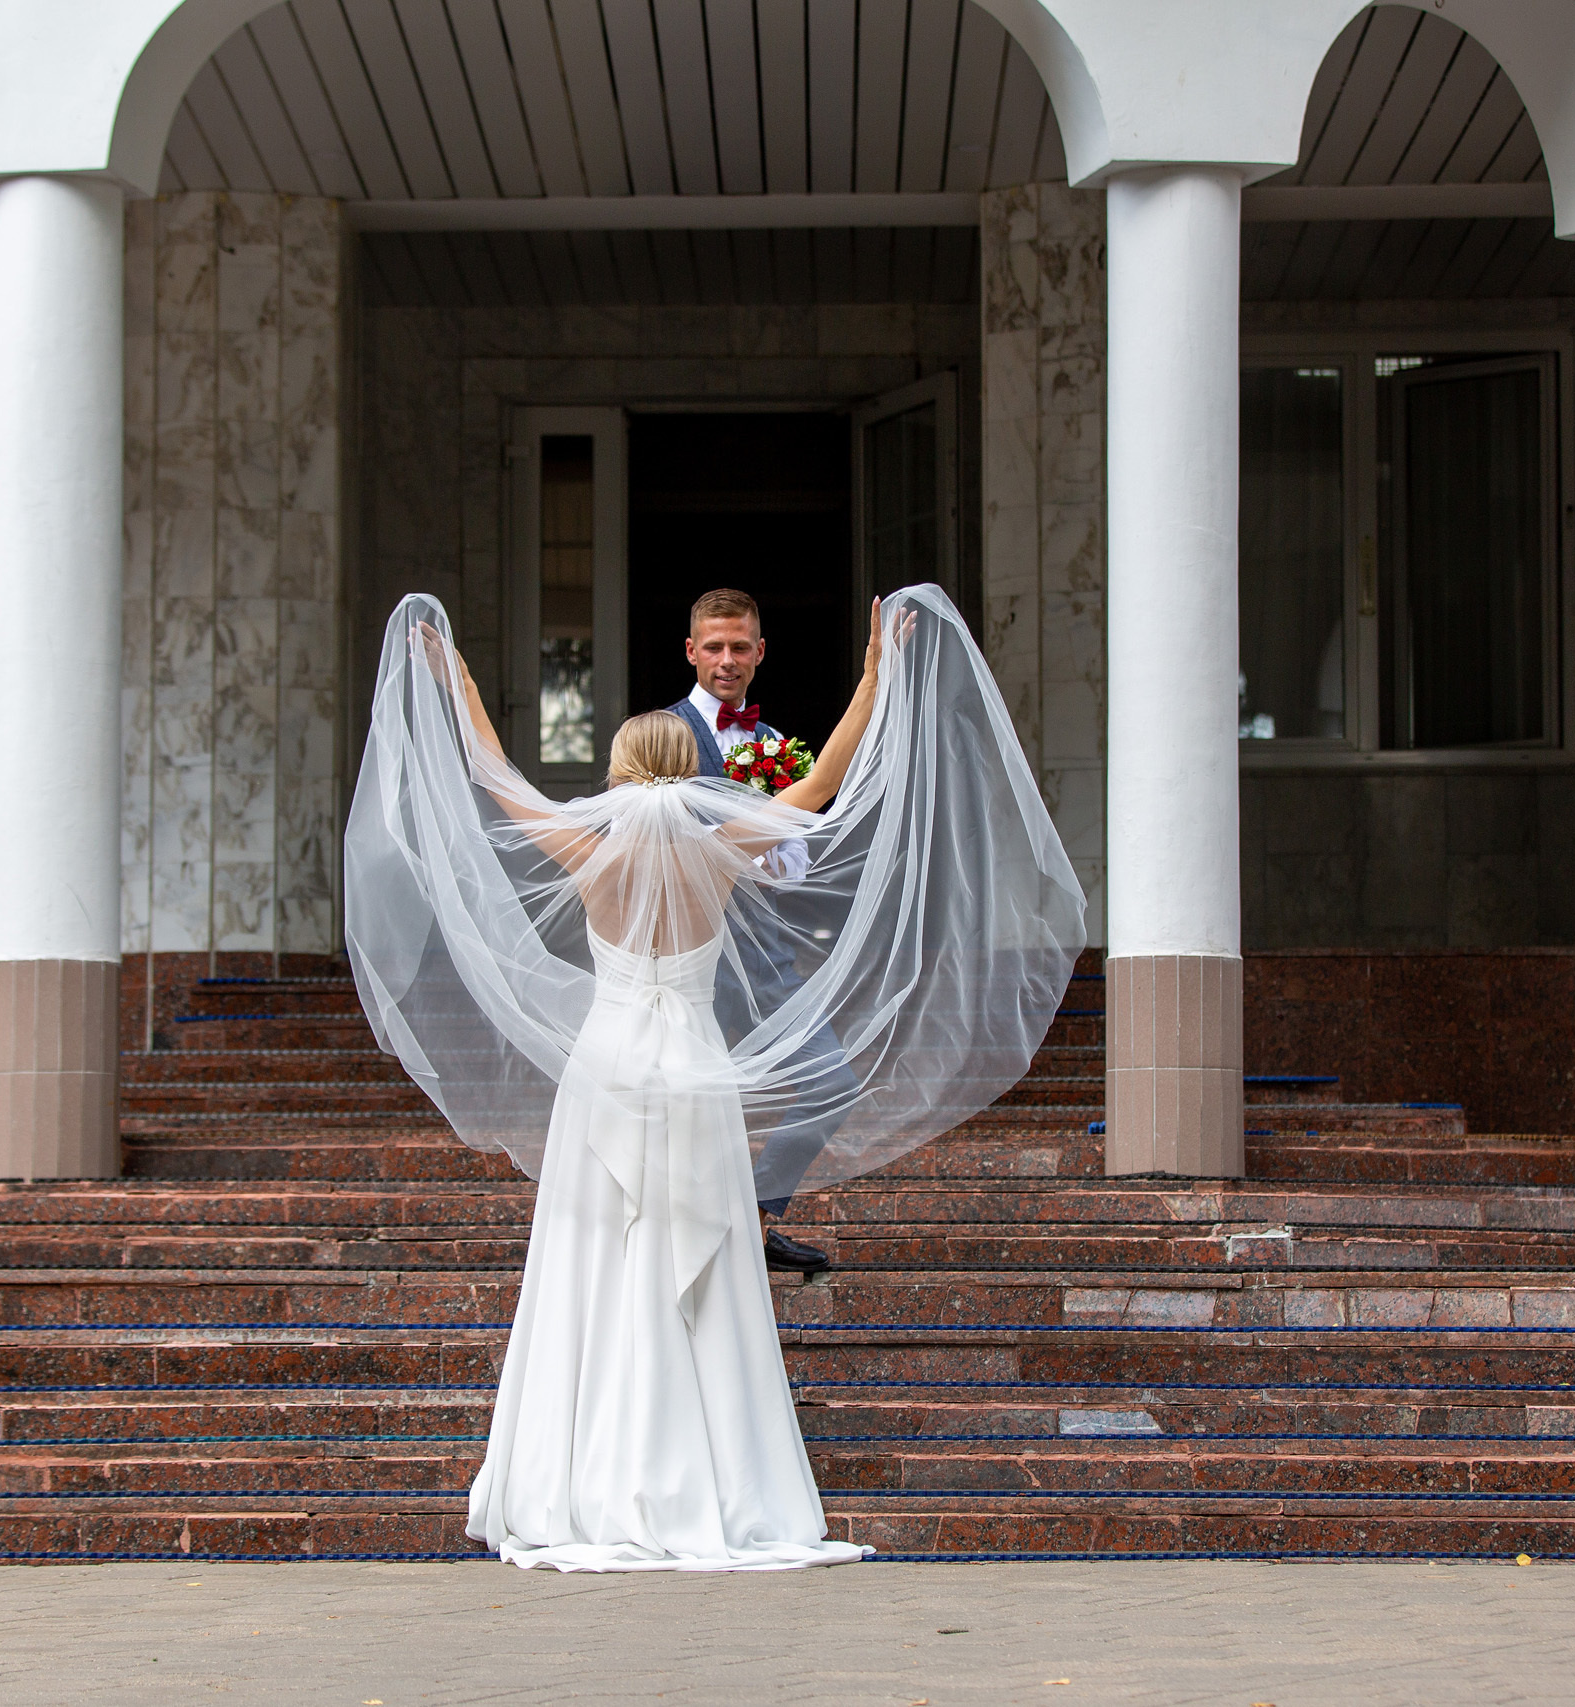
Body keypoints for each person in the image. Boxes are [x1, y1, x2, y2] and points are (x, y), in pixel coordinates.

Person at [345, 583, 1085, 1573]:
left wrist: (458, 680)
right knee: (703, 1278)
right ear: (692, 776)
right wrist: (875, 675)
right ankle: (720, 1476)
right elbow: (822, 782)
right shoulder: (721, 851)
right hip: (692, 1070)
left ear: (617, 772)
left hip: (607, 1073)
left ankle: (580, 1471)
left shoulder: (584, 846)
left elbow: (492, 775)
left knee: (594, 1270)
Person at [663, 587, 851, 1273]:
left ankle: (758, 1213)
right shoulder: (661, 735)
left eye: (740, 646)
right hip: (685, 962)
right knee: (681, 1107)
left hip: (766, 957)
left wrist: (767, 846)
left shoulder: (775, 744)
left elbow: (796, 867)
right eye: (713, 646)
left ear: (760, 651)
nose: (726, 659)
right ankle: (676, 1243)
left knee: (832, 1079)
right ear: (691, 650)